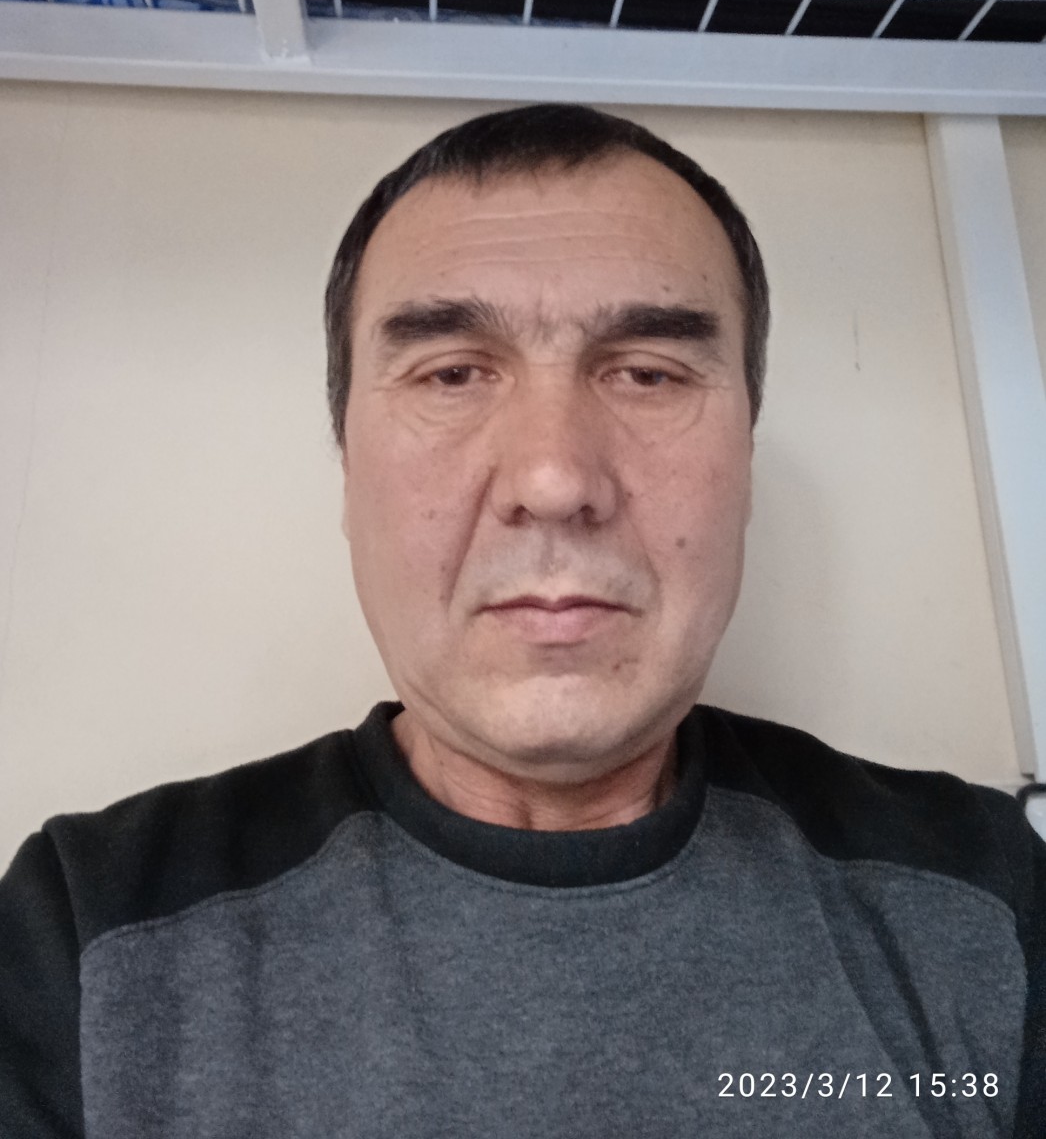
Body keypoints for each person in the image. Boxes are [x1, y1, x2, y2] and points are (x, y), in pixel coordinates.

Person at [1, 103, 1042, 1139]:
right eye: (452, 373)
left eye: (648, 372)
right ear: (348, 469)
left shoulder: (981, 895)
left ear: (746, 463)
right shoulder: (89, 931)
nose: (552, 479)